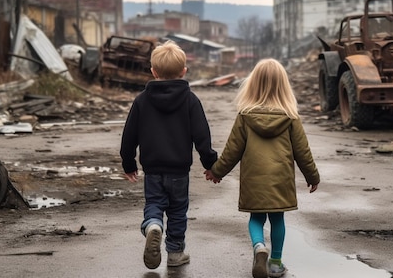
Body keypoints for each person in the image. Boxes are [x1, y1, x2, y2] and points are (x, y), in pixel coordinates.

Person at [205, 58, 320, 278]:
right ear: (283, 86)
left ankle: (259, 247)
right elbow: (302, 152)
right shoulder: (290, 117)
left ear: (253, 84)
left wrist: (216, 171)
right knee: (278, 219)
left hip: (254, 179)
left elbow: (232, 150)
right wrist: (312, 176)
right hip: (281, 179)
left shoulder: (245, 116)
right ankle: (276, 263)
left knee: (256, 218)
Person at [120, 40, 218, 270]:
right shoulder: (190, 100)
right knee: (177, 211)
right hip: (179, 170)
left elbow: (129, 135)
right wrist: (211, 164)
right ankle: (175, 254)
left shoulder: (142, 100)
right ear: (184, 71)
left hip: (153, 169)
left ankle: (153, 225)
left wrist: (128, 163)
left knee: (154, 203)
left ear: (153, 72)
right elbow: (202, 136)